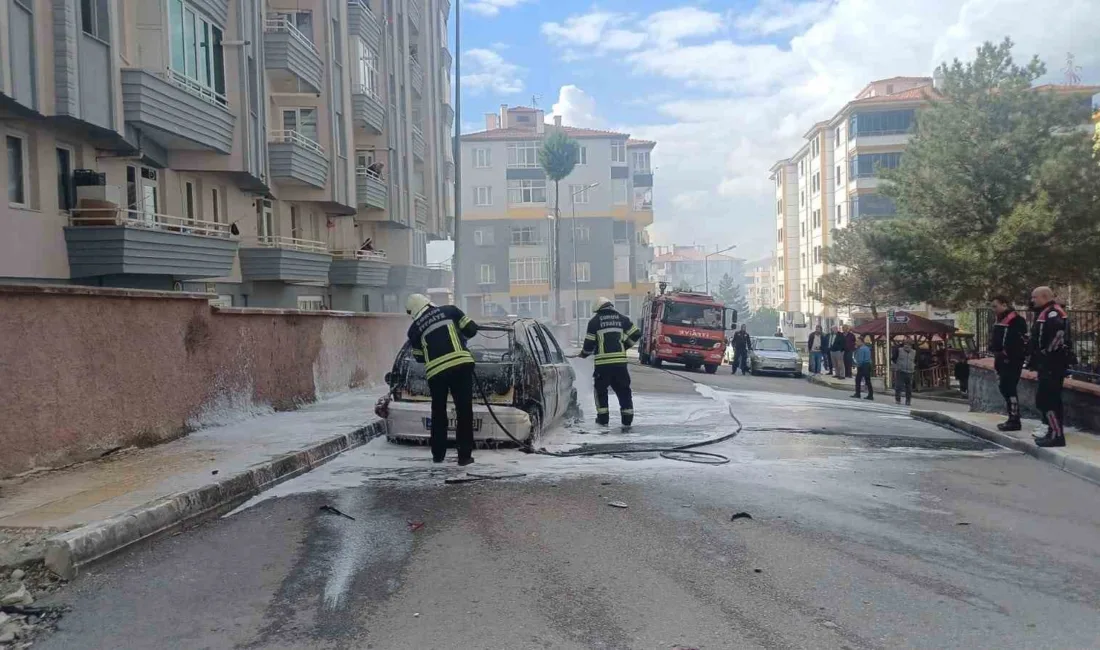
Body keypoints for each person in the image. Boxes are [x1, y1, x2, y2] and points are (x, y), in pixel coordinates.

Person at [405, 294, 479, 466]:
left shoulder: (413, 329)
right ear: (428, 303)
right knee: (464, 411)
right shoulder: (450, 310)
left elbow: (419, 357)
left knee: (438, 412)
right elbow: (472, 329)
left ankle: (438, 455)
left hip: (436, 373)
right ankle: (464, 456)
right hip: (461, 366)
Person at [580, 297, 641, 427]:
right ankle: (627, 420)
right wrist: (625, 345)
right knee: (624, 391)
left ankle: (603, 419)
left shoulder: (594, 322)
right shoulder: (622, 319)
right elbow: (636, 333)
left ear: (598, 309)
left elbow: (589, 344)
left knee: (601, 391)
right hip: (620, 364)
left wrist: (583, 354)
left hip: (603, 365)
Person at [1028, 286, 1071, 447]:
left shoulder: (1054, 313)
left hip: (1052, 364)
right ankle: (1052, 432)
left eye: (1034, 297)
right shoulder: (1046, 312)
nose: (1032, 301)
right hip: (1047, 364)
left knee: (1049, 400)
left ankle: (1057, 436)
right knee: (1045, 399)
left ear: (1044, 297)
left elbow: (1057, 338)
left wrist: (1044, 355)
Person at [989, 296, 1027, 430]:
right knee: (1004, 388)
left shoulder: (1016, 320)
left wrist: (1007, 354)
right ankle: (1011, 417)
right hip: (1000, 359)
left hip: (1010, 360)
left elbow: (1017, 341)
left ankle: (1015, 419)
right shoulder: (999, 319)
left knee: (1009, 388)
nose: (993, 309)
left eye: (995, 306)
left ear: (1004, 304)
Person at [893, 340, 916, 406]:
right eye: (905, 344)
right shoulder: (899, 350)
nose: (907, 346)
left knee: (909, 388)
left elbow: (916, 360)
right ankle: (898, 400)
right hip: (900, 371)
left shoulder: (914, 352)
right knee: (898, 386)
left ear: (911, 346)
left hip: (910, 371)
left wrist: (913, 365)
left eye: (908, 344)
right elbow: (894, 358)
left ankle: (908, 401)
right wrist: (898, 365)